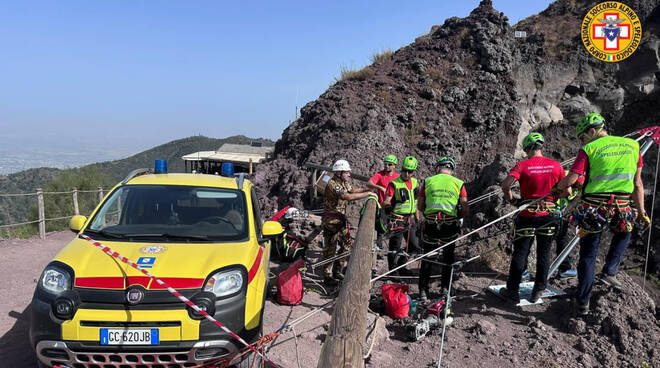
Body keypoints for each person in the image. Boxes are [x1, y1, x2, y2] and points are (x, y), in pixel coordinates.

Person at [554, 113, 649, 315]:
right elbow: (637, 184)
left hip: (593, 208)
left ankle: (582, 302)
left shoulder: (589, 149)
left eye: (582, 137)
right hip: (622, 207)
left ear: (592, 131)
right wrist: (641, 211)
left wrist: (557, 188)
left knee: (588, 255)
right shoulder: (633, 146)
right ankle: (610, 271)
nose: (581, 141)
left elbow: (572, 179)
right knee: (624, 233)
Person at [500, 133, 567, 304]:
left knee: (520, 253)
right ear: (542, 147)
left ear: (527, 149)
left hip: (528, 213)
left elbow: (506, 185)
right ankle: (538, 290)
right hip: (549, 215)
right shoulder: (556, 166)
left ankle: (512, 291)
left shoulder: (522, 165)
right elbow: (568, 192)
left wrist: (514, 200)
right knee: (544, 253)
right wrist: (553, 199)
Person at [417, 156, 469, 302]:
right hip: (449, 226)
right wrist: (458, 215)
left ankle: (423, 291)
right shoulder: (459, 183)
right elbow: (465, 206)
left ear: (438, 168)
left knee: (427, 257)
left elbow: (420, 206)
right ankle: (445, 290)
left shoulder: (427, 181)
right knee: (448, 258)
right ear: (451, 170)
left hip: (431, 225)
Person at [321, 159, 377, 285]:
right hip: (331, 222)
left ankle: (337, 271)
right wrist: (368, 194)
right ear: (339, 172)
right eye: (347, 172)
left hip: (340, 220)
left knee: (347, 246)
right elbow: (347, 196)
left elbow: (352, 191)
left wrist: (367, 189)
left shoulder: (343, 182)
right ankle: (327, 277)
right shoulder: (333, 184)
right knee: (330, 249)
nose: (349, 174)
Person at [382, 156, 421, 275]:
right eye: (404, 170)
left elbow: (415, 202)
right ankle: (393, 272)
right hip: (397, 219)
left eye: (410, 172)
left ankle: (401, 264)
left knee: (415, 246)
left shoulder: (415, 182)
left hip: (410, 219)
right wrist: (388, 207)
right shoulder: (394, 184)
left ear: (413, 172)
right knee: (394, 247)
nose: (407, 173)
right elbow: (385, 201)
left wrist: (417, 220)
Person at [553, 170, 584, 279]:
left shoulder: (578, 186)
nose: (580, 188)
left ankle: (564, 269)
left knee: (562, 238)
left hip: (558, 212)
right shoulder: (564, 175)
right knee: (546, 241)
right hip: (549, 209)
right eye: (579, 186)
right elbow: (561, 191)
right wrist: (567, 190)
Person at [368, 155, 400, 253]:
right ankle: (379, 250)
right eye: (385, 164)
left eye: (389, 164)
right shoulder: (380, 175)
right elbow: (369, 183)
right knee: (380, 228)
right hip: (383, 206)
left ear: (394, 166)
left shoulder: (398, 177)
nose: (386, 166)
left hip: (395, 207)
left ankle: (393, 250)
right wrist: (380, 187)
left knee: (395, 229)